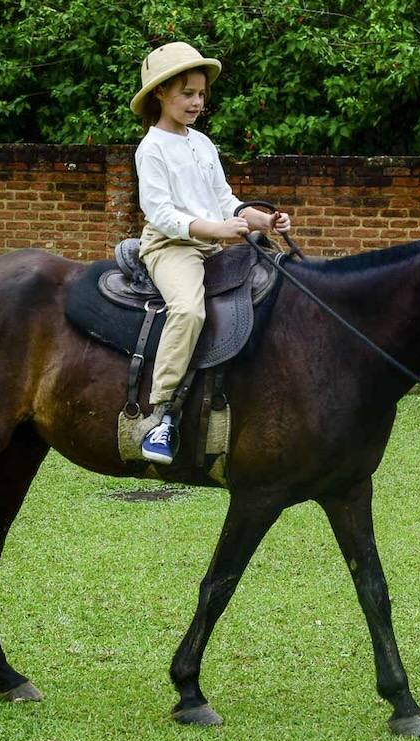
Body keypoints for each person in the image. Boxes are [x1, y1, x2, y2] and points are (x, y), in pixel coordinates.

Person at [129, 42, 291, 464]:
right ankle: (160, 415)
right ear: (160, 94)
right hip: (172, 247)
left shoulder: (201, 143)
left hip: (211, 244)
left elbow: (225, 200)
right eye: (187, 93)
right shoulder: (152, 148)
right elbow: (161, 213)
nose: (197, 102)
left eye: (201, 94)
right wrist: (216, 229)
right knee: (189, 311)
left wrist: (262, 221)